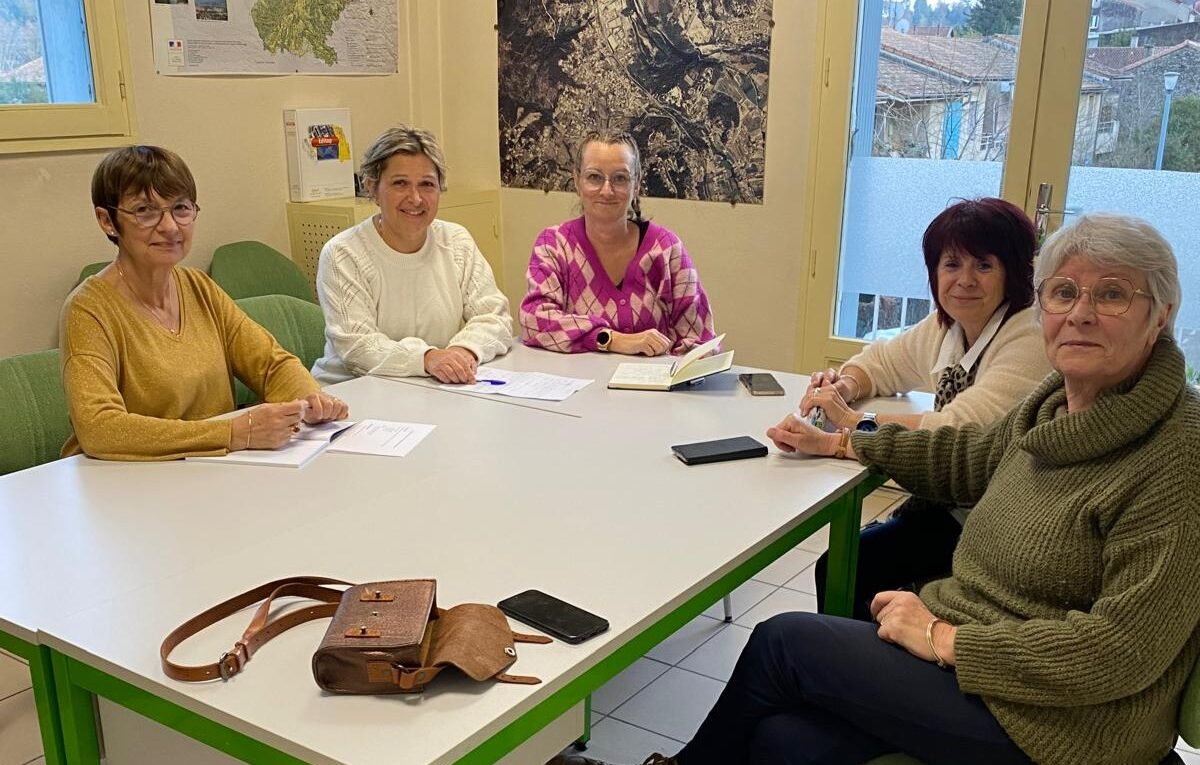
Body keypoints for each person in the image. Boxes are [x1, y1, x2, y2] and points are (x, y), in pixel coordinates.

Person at [556, 214, 1200, 763]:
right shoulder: (1058, 401)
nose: (1080, 313)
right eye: (1063, 293)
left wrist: (946, 639)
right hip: (985, 652)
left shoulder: (1178, 454)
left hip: (1066, 723)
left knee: (785, 643)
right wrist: (845, 442)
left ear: (1162, 314)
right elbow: (967, 457)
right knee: (784, 742)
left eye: (1112, 295)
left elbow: (1122, 651)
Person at [807, 198, 1050, 620]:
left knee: (849, 567)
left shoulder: (1030, 334)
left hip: (1004, 524)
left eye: (984, 265)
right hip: (958, 504)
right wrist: (843, 385)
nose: (964, 280)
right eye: (951, 264)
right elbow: (882, 362)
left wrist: (850, 423)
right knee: (848, 562)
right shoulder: (950, 326)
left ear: (1014, 272)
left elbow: (956, 432)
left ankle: (853, 657)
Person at [61, 145, 348, 461]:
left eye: (181, 208)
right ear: (107, 220)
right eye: (145, 211)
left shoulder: (198, 287)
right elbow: (100, 428)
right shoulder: (88, 309)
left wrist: (309, 398)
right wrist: (232, 433)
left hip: (207, 468)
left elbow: (270, 364)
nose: (170, 227)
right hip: (125, 478)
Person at [311, 126, 512, 384]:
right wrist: (427, 358)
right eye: (400, 183)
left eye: (427, 184)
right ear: (372, 188)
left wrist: (462, 351)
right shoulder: (343, 254)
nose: (415, 198)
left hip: (429, 387)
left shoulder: (456, 242)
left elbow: (495, 317)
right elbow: (358, 347)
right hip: (351, 392)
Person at [519, 129, 715, 356]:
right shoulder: (553, 245)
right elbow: (533, 320)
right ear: (577, 181)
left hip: (653, 379)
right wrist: (610, 339)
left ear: (636, 184)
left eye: (620, 178)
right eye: (594, 177)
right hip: (577, 379)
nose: (607, 191)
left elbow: (701, 342)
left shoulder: (666, 249)